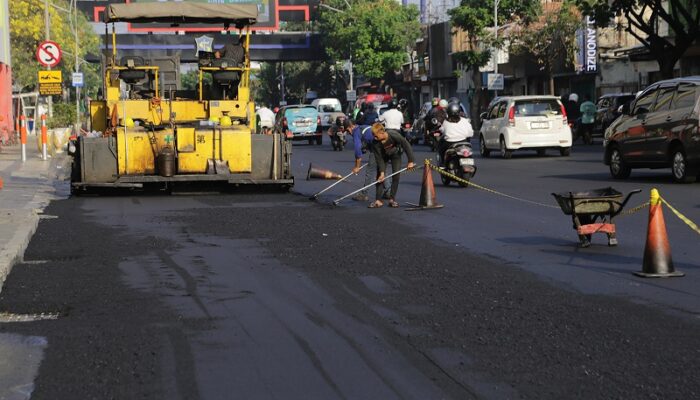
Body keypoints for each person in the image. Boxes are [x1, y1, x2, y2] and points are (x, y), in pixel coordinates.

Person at [368, 123, 416, 208]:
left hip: (395, 154)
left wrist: (410, 161)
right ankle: (378, 200)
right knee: (380, 176)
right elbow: (379, 159)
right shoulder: (375, 143)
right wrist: (382, 173)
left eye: (376, 136)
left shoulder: (393, 135)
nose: (374, 138)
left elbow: (406, 145)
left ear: (382, 133)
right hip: (383, 156)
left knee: (396, 175)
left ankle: (392, 199)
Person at [345, 119, 389, 201]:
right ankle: (388, 192)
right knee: (382, 169)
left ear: (350, 128)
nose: (349, 133)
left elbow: (358, 152)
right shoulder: (363, 127)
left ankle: (364, 194)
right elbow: (368, 140)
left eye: (348, 131)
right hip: (385, 146)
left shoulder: (356, 133)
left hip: (378, 148)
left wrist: (357, 167)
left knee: (370, 171)